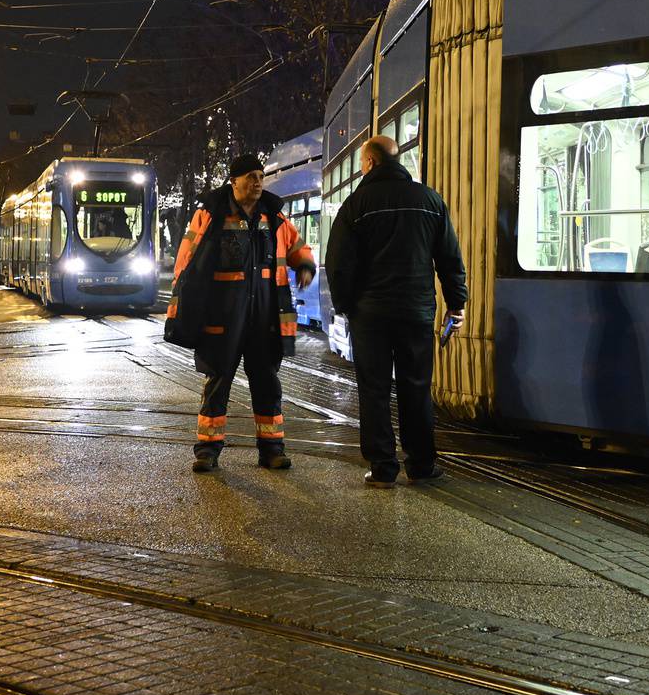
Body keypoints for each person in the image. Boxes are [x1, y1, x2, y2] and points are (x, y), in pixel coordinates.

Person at [324, 135, 466, 488]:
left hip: (369, 314)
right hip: (416, 311)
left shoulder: (356, 204)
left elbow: (337, 263)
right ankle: (420, 464)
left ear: (370, 162)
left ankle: (383, 467)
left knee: (373, 389)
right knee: (415, 387)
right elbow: (450, 258)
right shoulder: (430, 200)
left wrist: (345, 306)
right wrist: (456, 303)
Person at [164, 153, 316, 474]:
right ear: (233, 181)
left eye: (260, 176)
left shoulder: (272, 217)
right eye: (250, 176)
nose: (258, 182)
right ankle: (207, 450)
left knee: (267, 382)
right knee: (218, 380)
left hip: (264, 314)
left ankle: (272, 449)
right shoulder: (210, 215)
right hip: (222, 314)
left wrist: (303, 263)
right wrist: (185, 307)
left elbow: (296, 246)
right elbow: (186, 261)